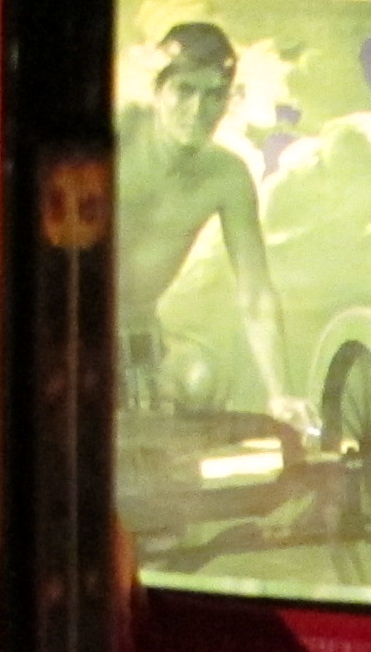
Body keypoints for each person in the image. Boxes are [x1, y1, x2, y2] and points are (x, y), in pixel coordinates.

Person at [114, 21, 302, 429]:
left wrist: (280, 394)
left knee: (202, 381)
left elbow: (255, 293)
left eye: (214, 95)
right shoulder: (118, 133)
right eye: (184, 90)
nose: (198, 110)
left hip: (139, 332)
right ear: (158, 91)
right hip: (69, 327)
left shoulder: (227, 176)